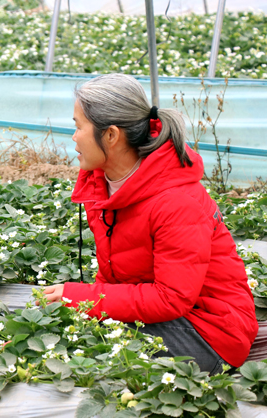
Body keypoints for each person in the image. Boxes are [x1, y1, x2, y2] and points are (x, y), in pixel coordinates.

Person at [44, 73, 258, 374]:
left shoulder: (176, 201)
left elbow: (172, 298)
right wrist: (86, 304)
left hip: (210, 332)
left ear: (111, 135)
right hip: (163, 316)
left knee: (92, 357)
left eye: (79, 127)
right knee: (68, 338)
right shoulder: (102, 185)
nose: (74, 137)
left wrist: (82, 297)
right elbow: (114, 273)